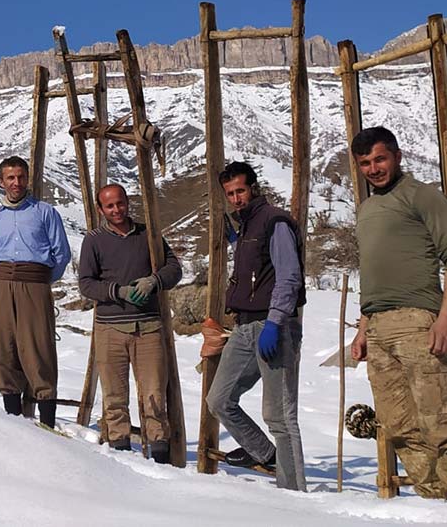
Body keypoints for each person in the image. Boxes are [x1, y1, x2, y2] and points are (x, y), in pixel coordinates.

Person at [348, 126, 447, 500]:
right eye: (365, 163)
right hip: (378, 328)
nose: (373, 168)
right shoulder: (367, 209)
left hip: (418, 321)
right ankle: (436, 505)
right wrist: (363, 330)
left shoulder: (423, 196)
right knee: (398, 426)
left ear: (397, 156)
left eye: (379, 159)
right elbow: (372, 274)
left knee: (439, 423)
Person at [205, 161, 307, 491]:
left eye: (240, 191)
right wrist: (236, 239)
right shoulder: (248, 226)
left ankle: (294, 495)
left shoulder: (274, 221)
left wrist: (276, 322)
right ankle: (266, 454)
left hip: (272, 324)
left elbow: (288, 275)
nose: (236, 198)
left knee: (279, 415)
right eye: (230, 193)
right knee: (219, 399)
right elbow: (256, 272)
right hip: (245, 327)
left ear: (254, 188)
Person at [78, 184, 182, 464]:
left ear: (128, 203)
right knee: (114, 397)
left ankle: (161, 457)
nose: (117, 210)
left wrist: (153, 281)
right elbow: (86, 283)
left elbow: (174, 268)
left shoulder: (148, 234)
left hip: (148, 327)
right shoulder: (94, 240)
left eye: (120, 204)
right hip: (110, 328)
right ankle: (121, 460)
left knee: (154, 396)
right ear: (101, 210)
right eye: (109, 206)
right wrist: (117, 291)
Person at [0, 156, 71, 428]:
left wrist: (40, 281)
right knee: (4, 349)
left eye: (21, 177)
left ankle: (47, 424)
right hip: (1, 286)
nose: (16, 183)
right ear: (1, 182)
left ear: (27, 180)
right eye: (10, 178)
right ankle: (13, 424)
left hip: (34, 284)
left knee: (38, 349)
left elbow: (62, 254)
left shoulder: (45, 212)